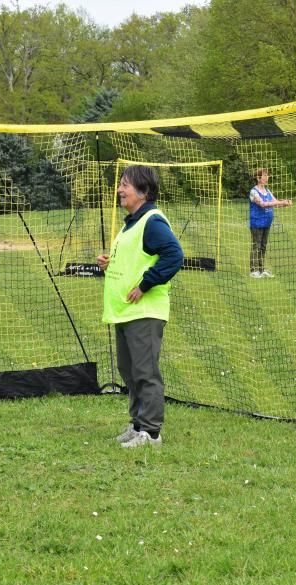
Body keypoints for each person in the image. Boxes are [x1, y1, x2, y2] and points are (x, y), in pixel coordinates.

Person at [96, 165, 184, 448]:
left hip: (145, 312)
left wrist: (146, 284)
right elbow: (138, 257)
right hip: (125, 311)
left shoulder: (153, 221)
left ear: (144, 191)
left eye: (126, 185)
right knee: (129, 371)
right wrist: (112, 263)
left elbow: (174, 255)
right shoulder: (130, 222)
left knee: (145, 372)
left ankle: (151, 432)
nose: (120, 190)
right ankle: (137, 425)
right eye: (120, 184)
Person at [248, 168, 292, 278]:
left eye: (267, 175)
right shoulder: (253, 191)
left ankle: (261, 270)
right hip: (257, 223)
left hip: (267, 223)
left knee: (263, 246)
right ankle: (253, 271)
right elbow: (262, 204)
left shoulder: (267, 191)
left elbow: (275, 203)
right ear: (258, 178)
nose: (267, 177)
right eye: (264, 175)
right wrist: (280, 202)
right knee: (256, 246)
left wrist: (285, 203)